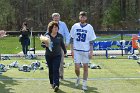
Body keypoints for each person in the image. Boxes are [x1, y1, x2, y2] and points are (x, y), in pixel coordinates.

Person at [70, 11, 96, 91]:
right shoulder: (75, 26)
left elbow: (91, 40)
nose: (82, 18)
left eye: (84, 17)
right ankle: (78, 77)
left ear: (86, 18)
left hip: (86, 50)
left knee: (85, 68)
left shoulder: (89, 27)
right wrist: (71, 50)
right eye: (81, 16)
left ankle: (84, 84)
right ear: (79, 17)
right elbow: (72, 38)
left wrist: (91, 52)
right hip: (76, 50)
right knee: (77, 68)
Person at [42, 21, 67, 92]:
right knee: (51, 69)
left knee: (56, 69)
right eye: (54, 27)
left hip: (57, 55)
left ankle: (56, 85)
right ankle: (51, 83)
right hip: (48, 55)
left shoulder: (60, 36)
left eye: (57, 27)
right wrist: (45, 45)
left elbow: (62, 44)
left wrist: (65, 51)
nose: (56, 28)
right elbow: (42, 44)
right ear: (51, 28)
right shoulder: (47, 35)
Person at [51, 13, 70, 79]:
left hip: (61, 45)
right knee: (53, 61)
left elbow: (67, 34)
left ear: (59, 18)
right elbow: (47, 33)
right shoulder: (50, 24)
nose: (56, 18)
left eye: (57, 17)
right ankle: (54, 75)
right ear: (53, 18)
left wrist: (67, 43)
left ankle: (61, 75)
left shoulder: (63, 24)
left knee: (61, 61)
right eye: (54, 17)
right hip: (52, 46)